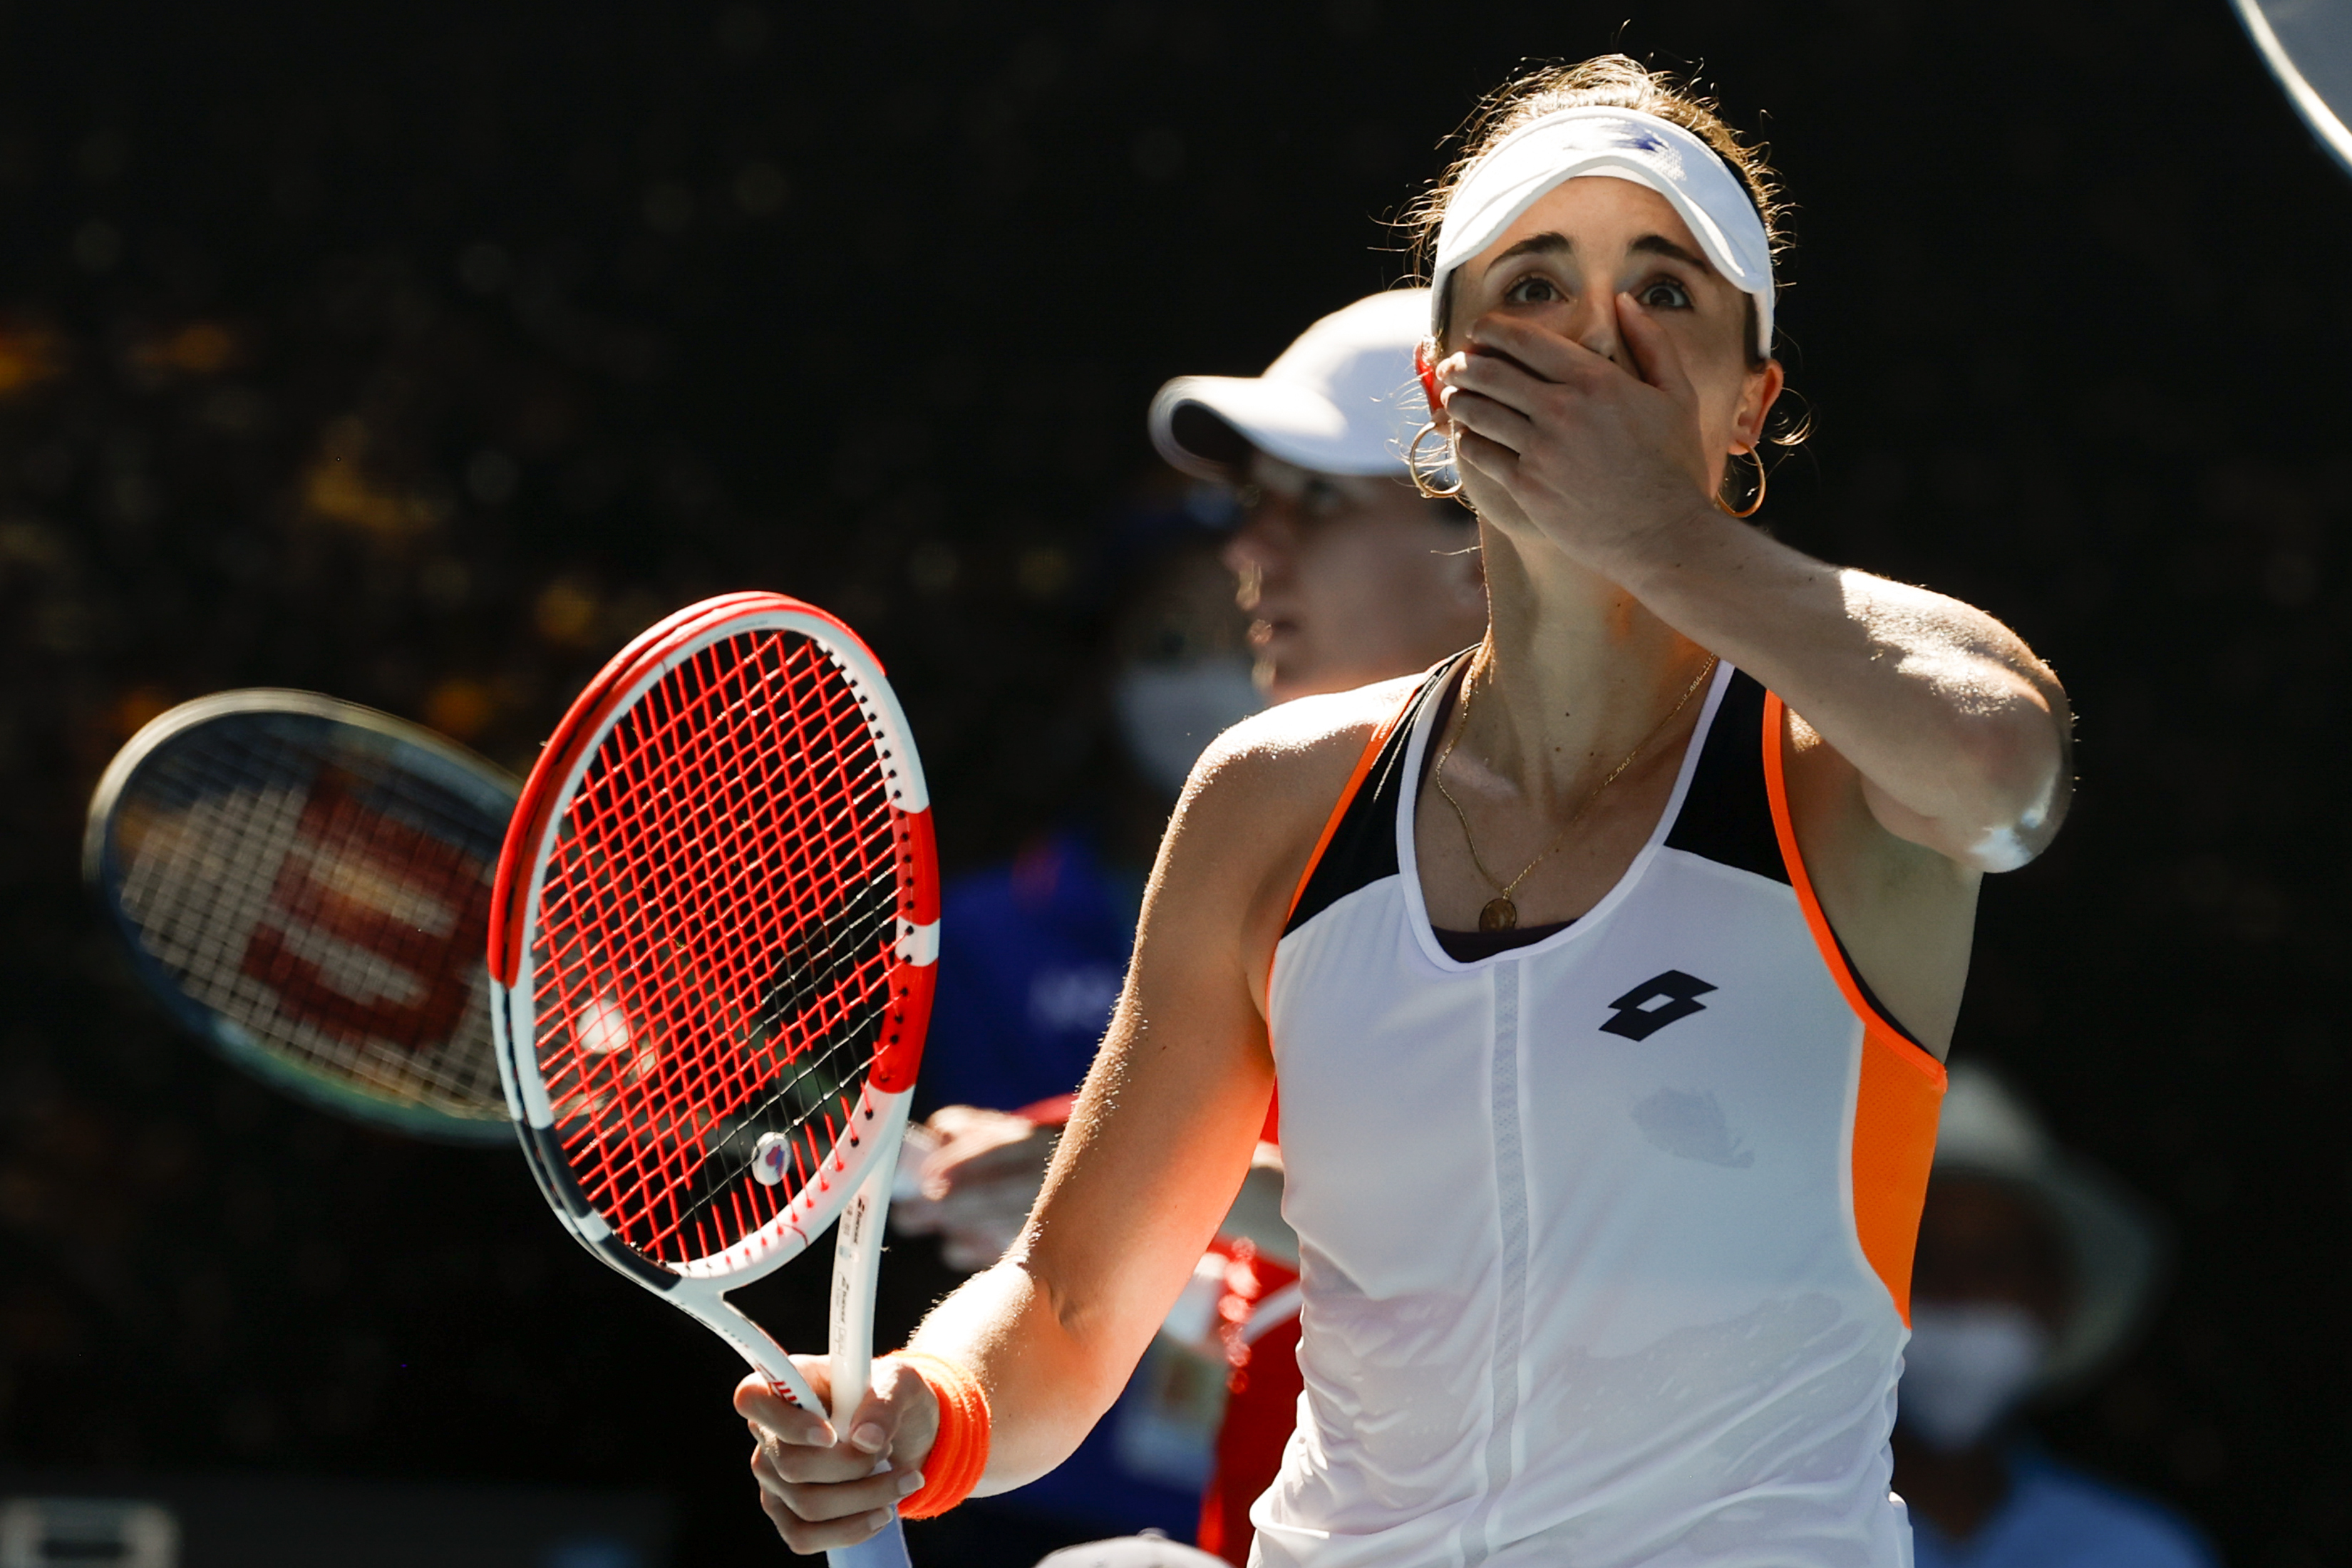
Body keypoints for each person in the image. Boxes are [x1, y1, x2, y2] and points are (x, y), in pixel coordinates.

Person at [743, 55, 2075, 1567]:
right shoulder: (1268, 798)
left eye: (1666, 290)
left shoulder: (1841, 764)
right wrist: (932, 1412)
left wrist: (1646, 525)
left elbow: (2005, 771)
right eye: (1535, 283)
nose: (1598, 333)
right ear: (1444, 385)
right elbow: (1065, 1304)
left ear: (1749, 401)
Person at [895, 288, 1486, 1555]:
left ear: (1493, 537)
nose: (1247, 548)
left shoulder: (1684, 845)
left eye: (1313, 501)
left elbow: (1560, 1246)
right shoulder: (1269, 839)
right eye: (1253, 501)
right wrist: (929, 1413)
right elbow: (1066, 1305)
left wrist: (1196, 1201)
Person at [1897, 1066, 2213, 1568]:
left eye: (1993, 1265)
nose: (1957, 1293)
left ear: (2056, 1298)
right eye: (1921, 1261)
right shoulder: (1765, 1540)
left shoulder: (2145, 1556)